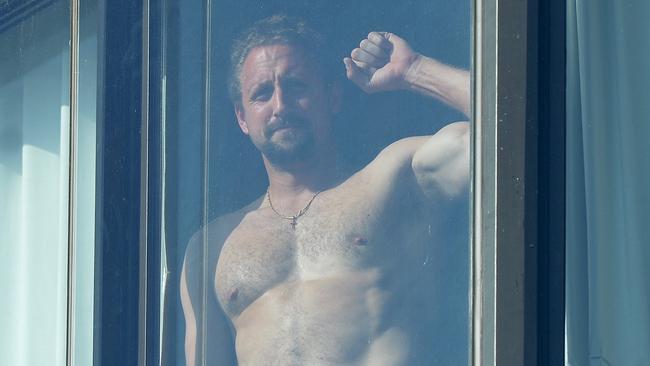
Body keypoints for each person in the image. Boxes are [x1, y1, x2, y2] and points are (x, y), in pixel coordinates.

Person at [181, 14, 470, 365]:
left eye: (296, 86)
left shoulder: (394, 179)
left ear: (332, 96)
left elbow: (507, 127)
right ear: (242, 118)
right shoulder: (213, 247)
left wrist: (415, 70)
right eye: (262, 94)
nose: (280, 106)